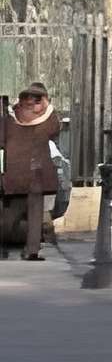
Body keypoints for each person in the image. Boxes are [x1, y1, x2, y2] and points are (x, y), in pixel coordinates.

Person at [1, 84, 63, 260]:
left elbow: (1, 140)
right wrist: (49, 107)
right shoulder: (47, 121)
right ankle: (31, 250)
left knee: (11, 212)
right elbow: (56, 129)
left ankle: (15, 243)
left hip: (15, 173)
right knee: (35, 213)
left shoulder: (11, 119)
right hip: (37, 173)